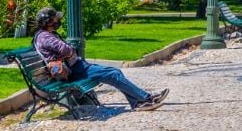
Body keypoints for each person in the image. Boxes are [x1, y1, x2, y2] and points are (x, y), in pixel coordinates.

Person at [33, 7, 168, 111]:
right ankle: (145, 98)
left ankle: (139, 101)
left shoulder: (47, 35)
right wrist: (69, 50)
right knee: (113, 73)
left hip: (77, 66)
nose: (58, 21)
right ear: (49, 21)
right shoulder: (45, 37)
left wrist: (69, 50)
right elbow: (67, 49)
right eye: (55, 19)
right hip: (74, 70)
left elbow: (67, 50)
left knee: (115, 72)